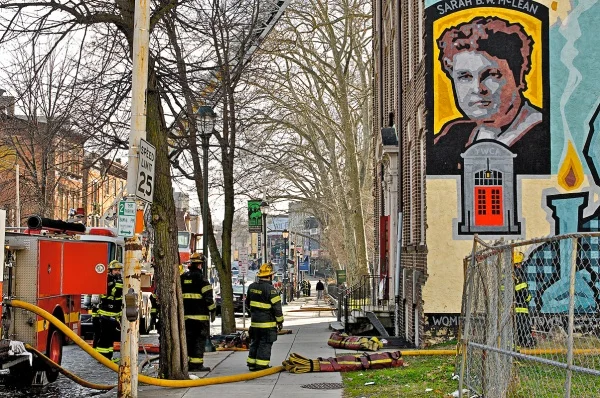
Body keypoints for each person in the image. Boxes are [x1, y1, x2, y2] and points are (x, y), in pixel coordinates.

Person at [431, 17, 549, 175]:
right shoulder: (453, 136)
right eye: (464, 77)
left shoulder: (542, 133)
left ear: (519, 76)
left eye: (491, 75)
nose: (477, 89)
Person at [181, 252, 216, 371]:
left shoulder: (183, 277)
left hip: (186, 317)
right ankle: (197, 364)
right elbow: (208, 298)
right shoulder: (202, 280)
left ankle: (188, 364)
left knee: (188, 340)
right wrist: (213, 311)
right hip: (200, 318)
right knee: (199, 341)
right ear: (200, 265)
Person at [246, 263, 284, 371]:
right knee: (265, 344)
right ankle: (262, 365)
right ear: (270, 276)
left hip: (254, 323)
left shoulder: (251, 287)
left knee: (255, 342)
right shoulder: (271, 290)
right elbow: (277, 309)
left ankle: (251, 364)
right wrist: (280, 322)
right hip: (267, 324)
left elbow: (248, 303)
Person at [95, 260, 123, 361]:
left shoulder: (116, 279)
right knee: (104, 337)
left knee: (110, 337)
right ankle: (102, 358)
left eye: (119, 270)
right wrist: (119, 283)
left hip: (113, 313)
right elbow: (115, 293)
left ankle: (109, 357)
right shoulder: (108, 280)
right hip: (106, 313)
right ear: (111, 271)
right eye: (115, 270)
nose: (118, 272)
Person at [513, 251, 536, 348]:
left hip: (513, 306)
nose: (521, 265)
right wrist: (529, 298)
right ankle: (522, 345)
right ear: (517, 263)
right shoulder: (518, 274)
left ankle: (516, 348)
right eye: (520, 263)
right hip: (521, 308)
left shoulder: (508, 273)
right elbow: (523, 291)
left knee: (515, 330)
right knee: (522, 328)